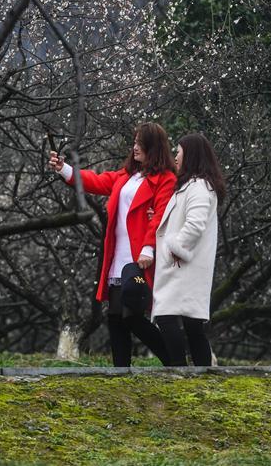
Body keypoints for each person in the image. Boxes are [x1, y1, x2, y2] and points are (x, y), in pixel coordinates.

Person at [48, 122, 176, 366]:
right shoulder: (127, 175)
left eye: (140, 142)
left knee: (132, 316)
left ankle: (173, 361)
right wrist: (64, 168)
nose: (135, 147)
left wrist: (149, 248)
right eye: (135, 141)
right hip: (118, 255)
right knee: (116, 316)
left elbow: (160, 216)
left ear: (153, 146)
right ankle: (121, 372)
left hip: (141, 256)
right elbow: (96, 181)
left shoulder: (165, 179)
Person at [151, 133, 225, 366]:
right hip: (186, 266)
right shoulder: (194, 185)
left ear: (190, 155)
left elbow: (195, 224)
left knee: (166, 315)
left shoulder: (199, 186)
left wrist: (176, 248)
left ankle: (177, 370)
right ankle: (201, 373)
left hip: (184, 265)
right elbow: (187, 219)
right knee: (192, 324)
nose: (175, 157)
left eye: (179, 152)